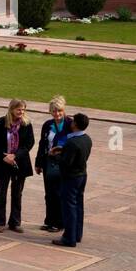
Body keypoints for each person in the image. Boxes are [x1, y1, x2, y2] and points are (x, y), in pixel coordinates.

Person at [0, 98, 34, 234]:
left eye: (23, 109)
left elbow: (29, 143)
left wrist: (15, 156)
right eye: (19, 109)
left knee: (17, 193)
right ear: (11, 109)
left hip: (19, 162)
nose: (21, 112)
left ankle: (15, 222)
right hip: (3, 162)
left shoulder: (26, 124)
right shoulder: (1, 122)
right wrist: (4, 156)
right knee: (1, 192)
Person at [52, 113, 91, 247]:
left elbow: (65, 163)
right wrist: (64, 151)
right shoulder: (87, 139)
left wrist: (55, 156)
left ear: (75, 125)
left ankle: (69, 237)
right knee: (78, 205)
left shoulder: (72, 142)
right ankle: (77, 234)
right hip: (82, 175)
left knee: (69, 208)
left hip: (71, 178)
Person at [35, 95, 70, 233]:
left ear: (64, 109)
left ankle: (60, 222)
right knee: (49, 193)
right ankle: (49, 221)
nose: (57, 114)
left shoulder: (70, 124)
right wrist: (38, 162)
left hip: (63, 163)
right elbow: (42, 143)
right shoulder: (47, 125)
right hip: (48, 162)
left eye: (59, 110)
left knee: (59, 193)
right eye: (54, 111)